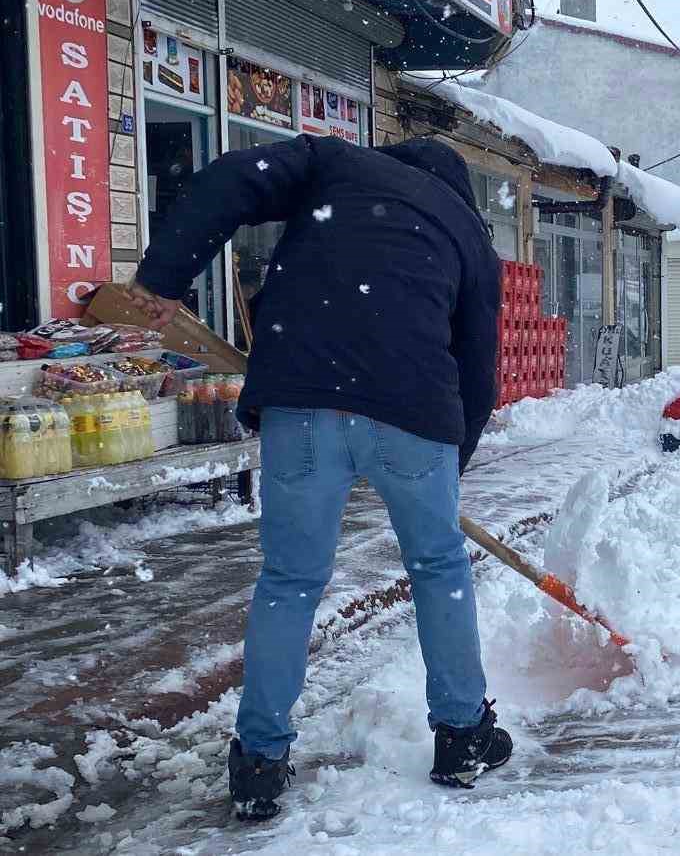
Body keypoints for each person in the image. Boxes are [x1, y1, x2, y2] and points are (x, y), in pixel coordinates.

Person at [128, 134, 510, 821]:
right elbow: (479, 367)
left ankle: (259, 760)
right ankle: (462, 734)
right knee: (438, 566)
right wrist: (454, 458)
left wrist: (164, 272)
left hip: (300, 400)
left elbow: (231, 179)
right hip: (414, 409)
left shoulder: (334, 164)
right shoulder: (468, 235)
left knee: (290, 579)